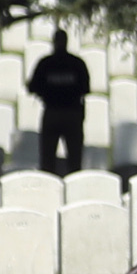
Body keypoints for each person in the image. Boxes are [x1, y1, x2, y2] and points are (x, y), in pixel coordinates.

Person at [29, 29, 94, 176]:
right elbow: (85, 88)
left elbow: (32, 87)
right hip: (72, 113)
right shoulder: (77, 64)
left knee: (48, 159)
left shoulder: (46, 63)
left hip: (53, 112)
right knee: (74, 158)